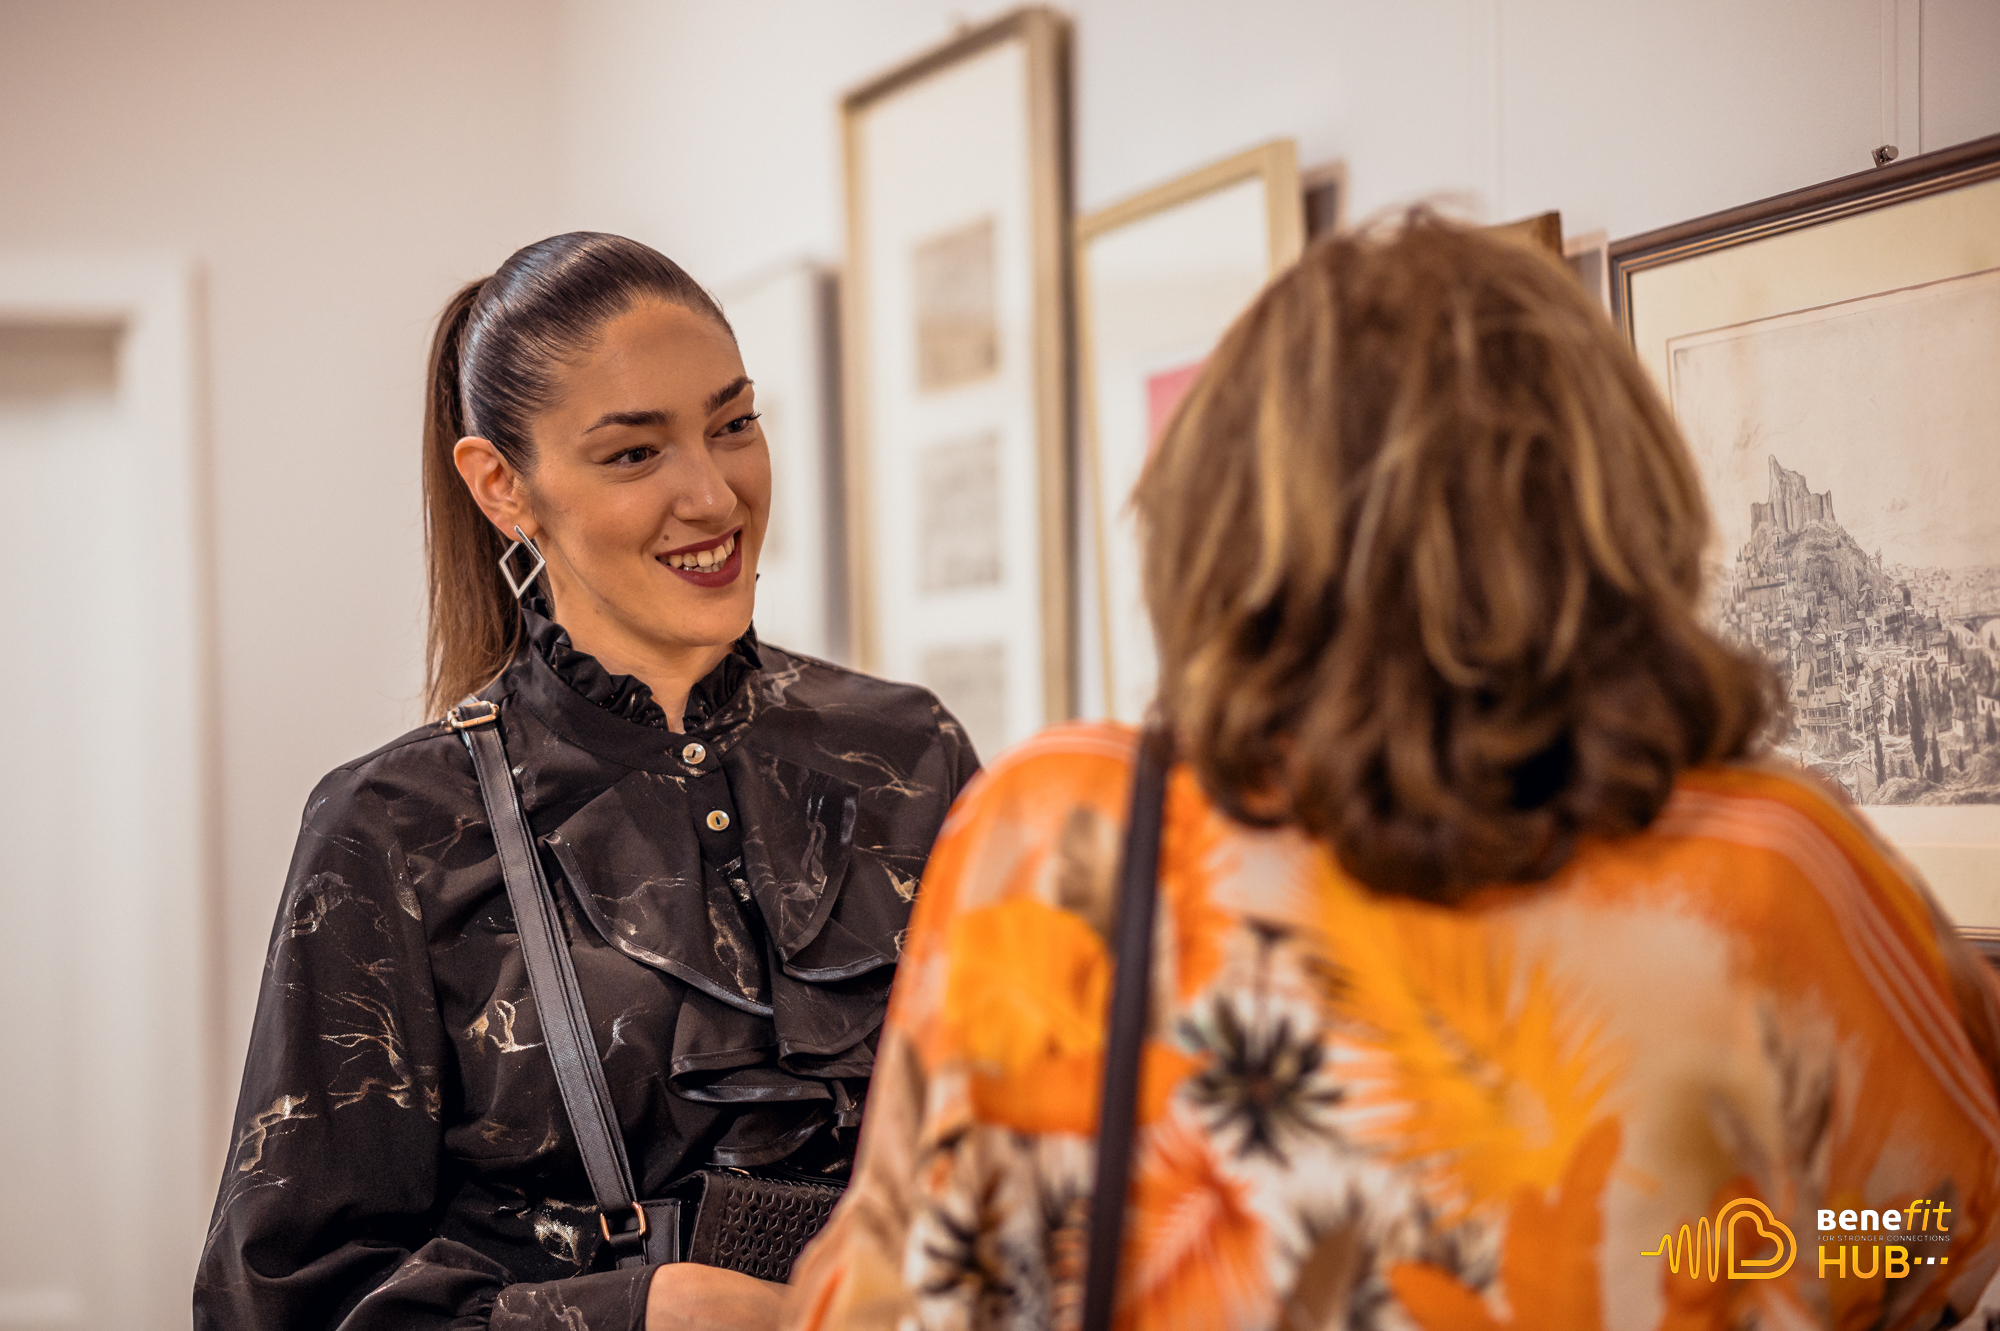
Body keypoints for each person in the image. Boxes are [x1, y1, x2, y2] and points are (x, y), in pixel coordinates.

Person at [785, 216, 2000, 1330]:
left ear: (1210, 518)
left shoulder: (1053, 831)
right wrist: (1696, 1251)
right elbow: (1927, 1241)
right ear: (1608, 506)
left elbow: (873, 1294)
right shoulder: (1767, 875)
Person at [195, 233, 978, 1331]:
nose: (714, 493)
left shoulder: (913, 753)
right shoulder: (392, 829)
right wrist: (642, 1308)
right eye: (634, 454)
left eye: (734, 424)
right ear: (502, 485)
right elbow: (279, 1304)